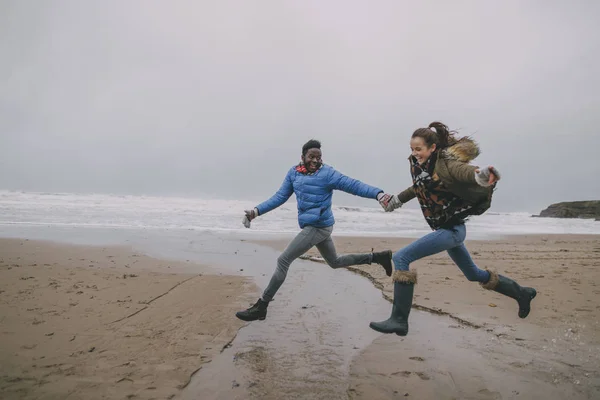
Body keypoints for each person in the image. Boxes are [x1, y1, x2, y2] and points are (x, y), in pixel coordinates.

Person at [369, 122, 537, 336]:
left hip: (452, 230)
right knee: (473, 273)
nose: (414, 153)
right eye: (412, 149)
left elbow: (466, 172)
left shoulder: (445, 164)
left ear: (432, 148)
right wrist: (396, 200)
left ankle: (399, 320)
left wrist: (483, 175)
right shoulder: (421, 166)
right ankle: (521, 293)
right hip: (447, 228)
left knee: (401, 258)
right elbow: (418, 187)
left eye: (418, 149)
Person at [235, 139, 393, 322]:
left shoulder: (328, 174)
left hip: (318, 226)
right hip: (316, 226)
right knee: (335, 262)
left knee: (283, 260)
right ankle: (378, 257)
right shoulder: (294, 173)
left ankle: (262, 306)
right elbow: (280, 197)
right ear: (302, 157)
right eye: (311, 157)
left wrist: (378, 194)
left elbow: (353, 185)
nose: (316, 161)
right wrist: (256, 212)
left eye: (319, 157)